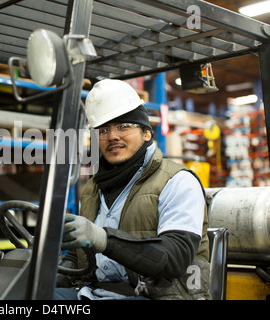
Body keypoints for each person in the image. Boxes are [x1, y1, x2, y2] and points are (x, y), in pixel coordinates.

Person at [54, 79, 210, 300]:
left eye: (123, 126)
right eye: (104, 129)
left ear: (146, 133)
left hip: (160, 296)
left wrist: (104, 239)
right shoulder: (92, 189)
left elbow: (174, 258)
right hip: (98, 293)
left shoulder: (177, 181)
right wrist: (47, 277)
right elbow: (77, 256)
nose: (112, 136)